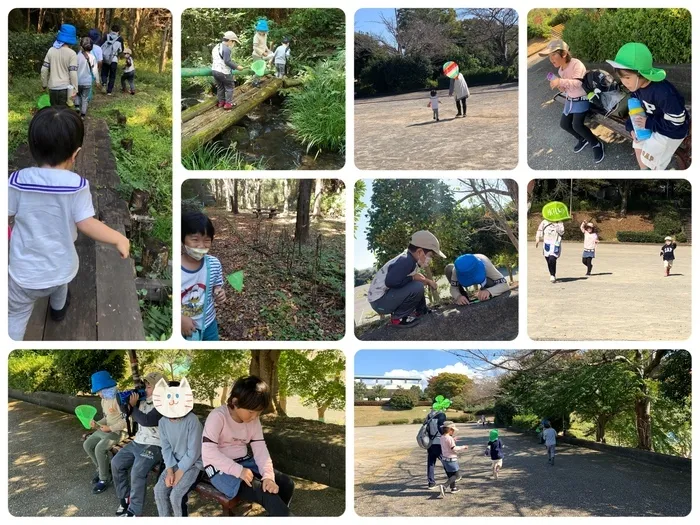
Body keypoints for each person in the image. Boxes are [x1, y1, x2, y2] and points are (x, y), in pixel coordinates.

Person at [8, 108, 130, 341]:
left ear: (32, 148)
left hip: (23, 274)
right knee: (60, 283)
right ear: (76, 154)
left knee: (16, 314)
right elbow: (87, 224)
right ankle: (58, 310)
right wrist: (118, 238)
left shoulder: (16, 181)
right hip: (61, 267)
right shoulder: (76, 185)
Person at [202, 376, 295, 516]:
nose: (254, 417)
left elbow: (260, 449)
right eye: (251, 412)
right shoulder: (218, 417)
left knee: (286, 483)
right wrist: (238, 471)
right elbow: (208, 453)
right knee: (264, 493)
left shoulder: (254, 420)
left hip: (244, 462)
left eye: (258, 412)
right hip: (219, 468)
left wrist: (268, 476)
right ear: (235, 402)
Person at [607, 43, 689, 170]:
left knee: (648, 157)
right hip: (652, 122)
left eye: (627, 77)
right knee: (637, 144)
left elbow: (677, 122)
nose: (624, 82)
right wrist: (631, 127)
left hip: (672, 130)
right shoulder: (636, 88)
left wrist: (649, 123)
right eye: (621, 78)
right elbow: (635, 111)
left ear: (642, 74)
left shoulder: (664, 93)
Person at [539, 40, 605, 164]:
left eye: (553, 55)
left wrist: (561, 82)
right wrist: (559, 85)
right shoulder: (560, 71)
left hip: (583, 99)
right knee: (564, 124)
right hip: (570, 100)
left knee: (577, 125)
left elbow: (578, 83)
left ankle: (596, 144)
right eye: (549, 56)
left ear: (564, 54)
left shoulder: (576, 64)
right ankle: (582, 139)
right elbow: (566, 88)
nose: (551, 59)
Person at [111, 372, 165, 517]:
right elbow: (127, 413)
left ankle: (134, 511)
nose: (145, 389)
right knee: (116, 463)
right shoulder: (142, 400)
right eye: (145, 386)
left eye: (149, 387)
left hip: (155, 445)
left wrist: (133, 407)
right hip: (138, 441)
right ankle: (125, 498)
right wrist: (126, 404)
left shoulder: (163, 403)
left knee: (137, 471)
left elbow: (147, 420)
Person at [367, 230, 446, 328]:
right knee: (417, 286)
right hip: (379, 302)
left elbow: (412, 278)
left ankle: (421, 311)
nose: (430, 259)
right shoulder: (406, 261)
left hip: (383, 299)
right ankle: (398, 318)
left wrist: (427, 281)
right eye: (430, 255)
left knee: (417, 284)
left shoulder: (410, 260)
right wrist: (413, 278)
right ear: (420, 252)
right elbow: (391, 282)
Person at [153, 378, 204, 517]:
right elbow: (166, 448)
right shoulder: (162, 422)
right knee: (159, 490)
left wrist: (179, 473)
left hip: (194, 464)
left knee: (176, 496)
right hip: (173, 463)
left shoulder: (192, 420)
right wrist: (170, 471)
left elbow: (194, 452)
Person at [181, 212, 225, 341]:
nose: (201, 246)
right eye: (195, 240)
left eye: (207, 240)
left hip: (209, 324)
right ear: (182, 239)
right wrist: (180, 319)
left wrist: (219, 292)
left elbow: (216, 287)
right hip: (185, 327)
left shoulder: (214, 264)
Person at [84, 371, 126, 494]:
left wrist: (110, 428)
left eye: (99, 391)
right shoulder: (104, 400)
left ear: (107, 388)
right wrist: (96, 423)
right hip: (107, 429)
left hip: (120, 432)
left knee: (99, 448)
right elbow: (107, 418)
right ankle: (103, 469)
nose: (98, 394)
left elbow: (127, 421)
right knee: (87, 445)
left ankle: (104, 479)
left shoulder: (119, 399)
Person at [443, 253, 510, 305]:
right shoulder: (456, 270)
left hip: (487, 284)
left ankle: (485, 292)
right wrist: (458, 296)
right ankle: (464, 299)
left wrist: (489, 291)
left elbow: (505, 285)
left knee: (491, 285)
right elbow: (453, 288)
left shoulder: (485, 263)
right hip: (460, 286)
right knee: (449, 268)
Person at [40, 24, 79, 107]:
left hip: (52, 88)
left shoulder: (51, 50)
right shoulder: (72, 54)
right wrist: (75, 89)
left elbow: (44, 69)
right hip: (65, 89)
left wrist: (44, 85)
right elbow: (73, 73)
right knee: (64, 114)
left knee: (54, 113)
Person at [212, 31, 245, 110]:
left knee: (220, 87)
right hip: (223, 72)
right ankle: (228, 104)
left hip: (214, 70)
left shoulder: (216, 46)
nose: (234, 44)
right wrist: (237, 67)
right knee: (229, 87)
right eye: (234, 42)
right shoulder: (226, 49)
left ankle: (221, 102)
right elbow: (227, 61)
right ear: (230, 41)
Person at [535, 207, 566, 283]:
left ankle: (553, 275)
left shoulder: (560, 222)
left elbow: (562, 232)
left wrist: (556, 225)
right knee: (548, 260)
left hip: (555, 243)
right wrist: (537, 238)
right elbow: (539, 230)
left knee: (552, 259)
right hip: (547, 243)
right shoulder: (544, 222)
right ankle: (552, 273)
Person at [437, 421, 467, 498]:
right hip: (451, 460)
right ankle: (444, 486)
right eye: (453, 430)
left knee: (450, 475)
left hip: (444, 460)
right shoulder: (449, 438)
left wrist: (453, 440)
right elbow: (454, 448)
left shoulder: (442, 437)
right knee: (457, 476)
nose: (453, 431)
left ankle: (453, 488)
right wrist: (463, 447)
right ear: (450, 429)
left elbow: (447, 444)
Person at [424, 398, 448, 490]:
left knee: (431, 463)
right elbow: (441, 428)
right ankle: (452, 479)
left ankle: (431, 482)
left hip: (430, 442)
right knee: (445, 460)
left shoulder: (429, 415)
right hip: (438, 442)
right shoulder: (441, 415)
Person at [74, 36, 101, 119]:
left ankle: (77, 107)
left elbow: (74, 69)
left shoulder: (77, 56)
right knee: (85, 98)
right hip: (87, 82)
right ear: (91, 47)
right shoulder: (92, 58)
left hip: (78, 81)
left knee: (77, 95)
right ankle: (82, 115)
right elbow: (95, 70)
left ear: (81, 45)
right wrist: (97, 81)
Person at [101, 24, 125, 95]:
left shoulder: (106, 36)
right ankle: (109, 91)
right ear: (118, 31)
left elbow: (101, 46)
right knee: (112, 75)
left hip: (105, 58)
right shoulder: (120, 39)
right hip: (114, 59)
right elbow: (121, 50)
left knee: (104, 72)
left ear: (111, 30)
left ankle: (104, 83)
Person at [251, 19, 274, 86]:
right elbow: (255, 47)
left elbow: (264, 44)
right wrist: (262, 53)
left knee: (262, 68)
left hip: (262, 54)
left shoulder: (265, 35)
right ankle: (254, 82)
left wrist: (267, 50)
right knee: (258, 69)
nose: (262, 32)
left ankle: (257, 80)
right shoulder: (256, 36)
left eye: (264, 31)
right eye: (261, 31)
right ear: (258, 30)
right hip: (256, 55)